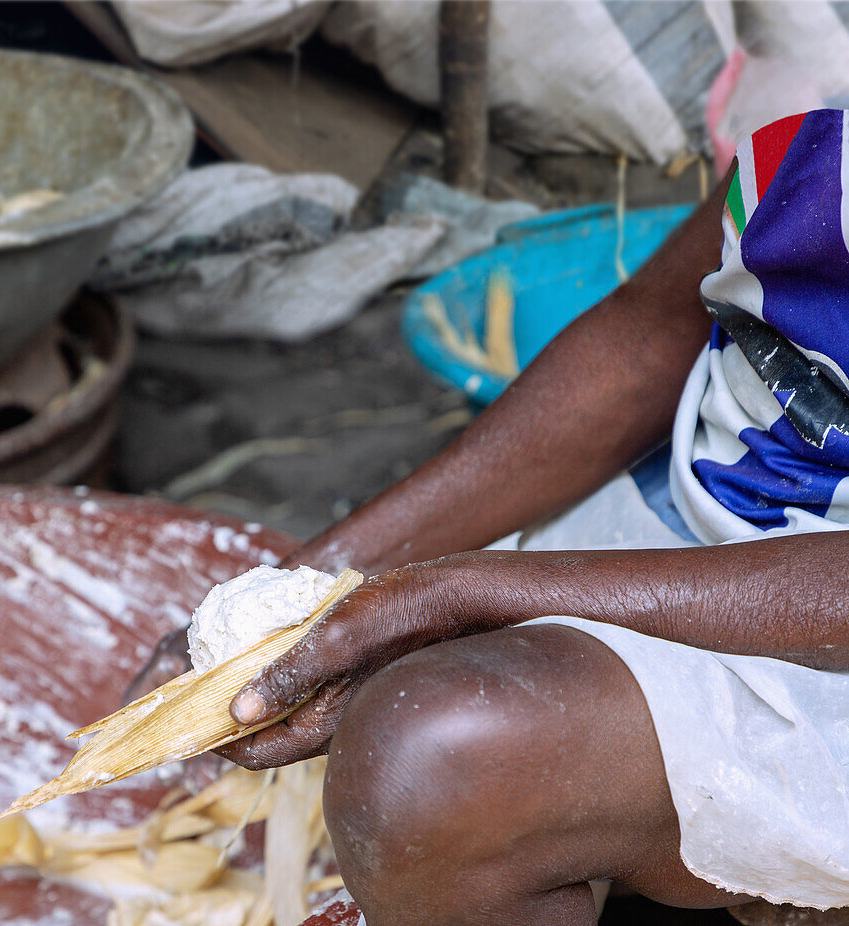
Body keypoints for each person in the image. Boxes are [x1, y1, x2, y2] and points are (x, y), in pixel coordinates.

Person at [129, 111, 849, 924]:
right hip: (704, 507)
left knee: (427, 761)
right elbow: (655, 326)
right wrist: (316, 582)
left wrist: (469, 591)